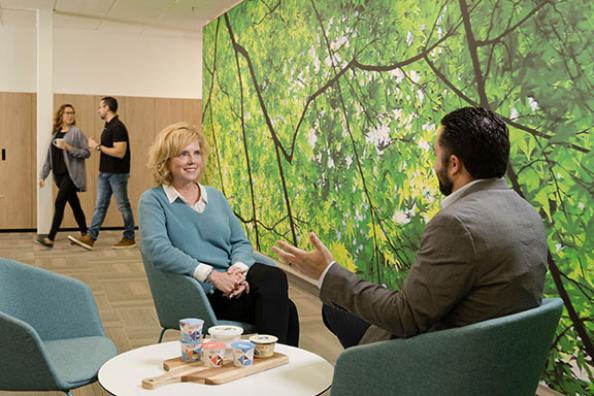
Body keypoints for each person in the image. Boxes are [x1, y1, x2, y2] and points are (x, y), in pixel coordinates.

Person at [273, 107, 547, 348]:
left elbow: (404, 318)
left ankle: (371, 377)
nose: (433, 164)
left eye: (436, 155)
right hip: (492, 358)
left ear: (454, 165)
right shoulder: (527, 214)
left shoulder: (457, 224)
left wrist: (327, 272)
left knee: (334, 309)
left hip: (438, 362)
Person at [138, 122, 299, 346]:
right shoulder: (153, 200)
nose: (192, 160)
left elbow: (239, 241)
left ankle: (271, 362)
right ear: (166, 160)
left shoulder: (214, 196)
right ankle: (274, 365)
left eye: (196, 153)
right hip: (199, 292)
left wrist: (238, 274)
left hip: (231, 282)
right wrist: (213, 276)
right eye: (183, 154)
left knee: (275, 277)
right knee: (286, 309)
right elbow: (159, 250)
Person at [69, 96, 135, 250]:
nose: (98, 110)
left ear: (107, 108)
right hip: (105, 173)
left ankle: (129, 237)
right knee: (100, 206)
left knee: (123, 206)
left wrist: (96, 146)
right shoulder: (108, 126)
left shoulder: (118, 127)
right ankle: (91, 237)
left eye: (100, 107)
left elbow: (120, 152)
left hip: (117, 174)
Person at [36, 104, 90, 248]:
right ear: (61, 115)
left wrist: (68, 147)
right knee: (75, 205)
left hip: (71, 176)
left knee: (59, 203)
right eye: (67, 113)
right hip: (58, 176)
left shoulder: (76, 132)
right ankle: (85, 233)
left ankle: (50, 238)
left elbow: (86, 152)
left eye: (72, 113)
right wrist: (42, 176)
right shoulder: (55, 134)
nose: (70, 116)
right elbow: (49, 159)